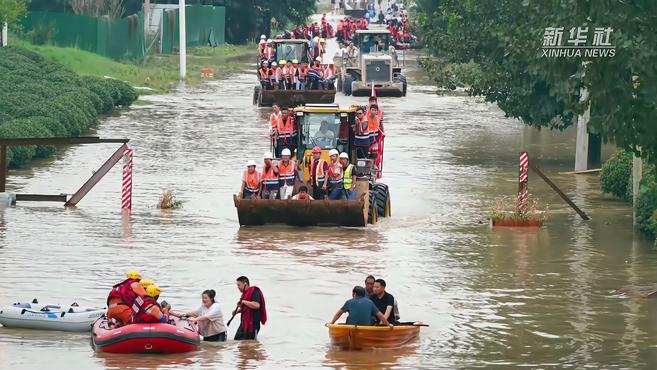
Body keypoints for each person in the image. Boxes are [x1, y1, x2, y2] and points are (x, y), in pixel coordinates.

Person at [233, 276, 267, 340]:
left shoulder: (254, 292)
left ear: (245, 284)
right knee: (237, 341)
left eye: (239, 285)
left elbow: (256, 305)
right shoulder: (245, 294)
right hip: (244, 324)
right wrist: (237, 311)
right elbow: (247, 309)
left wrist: (243, 302)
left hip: (253, 325)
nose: (238, 287)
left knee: (249, 345)